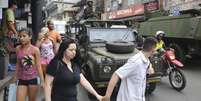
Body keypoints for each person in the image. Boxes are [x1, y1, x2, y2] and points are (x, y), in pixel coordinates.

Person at [13, 28, 44, 101]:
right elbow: (18, 64)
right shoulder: (18, 48)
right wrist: (15, 76)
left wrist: (42, 81)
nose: (21, 38)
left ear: (30, 37)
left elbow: (39, 66)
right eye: (20, 36)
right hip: (22, 79)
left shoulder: (35, 50)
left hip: (32, 79)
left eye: (24, 36)